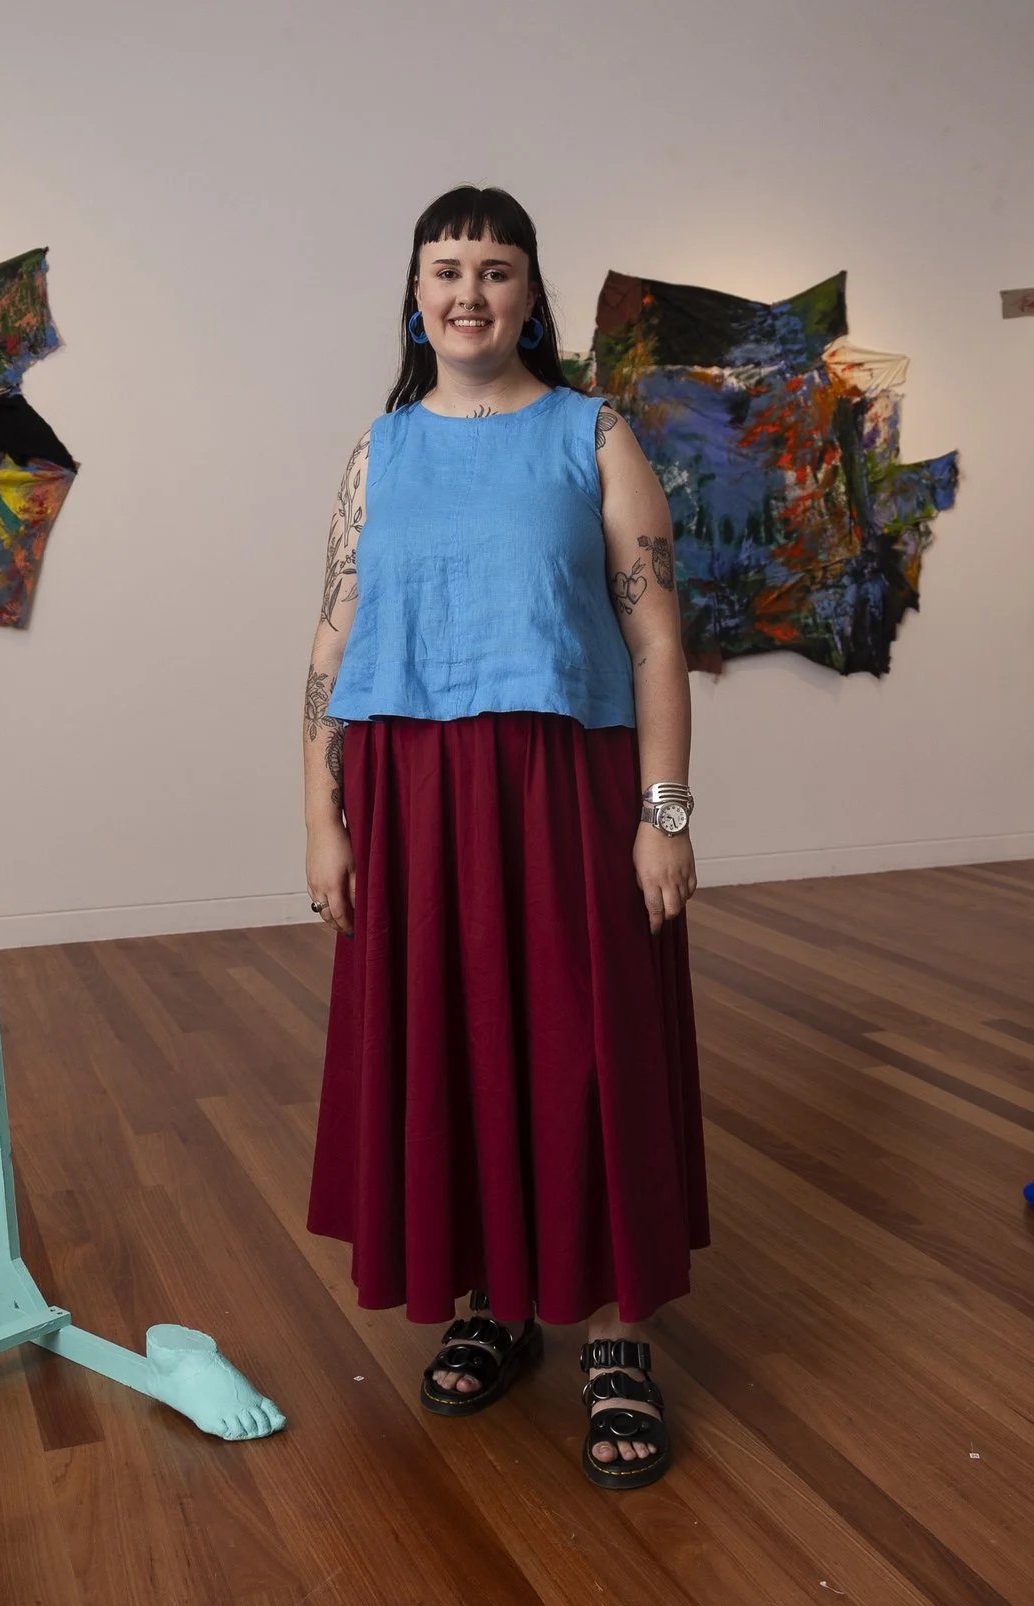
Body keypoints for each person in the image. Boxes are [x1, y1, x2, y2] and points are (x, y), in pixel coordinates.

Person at [301, 185, 706, 1491]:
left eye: (494, 269)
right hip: (411, 786)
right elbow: (331, 641)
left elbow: (655, 637)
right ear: (414, 296)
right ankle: (488, 1301)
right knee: (453, 1038)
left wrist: (664, 817)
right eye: (444, 269)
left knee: (585, 1049)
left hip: (561, 783)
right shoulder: (381, 450)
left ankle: (612, 1335)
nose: (467, 291)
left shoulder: (593, 436)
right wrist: (322, 817)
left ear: (533, 295)